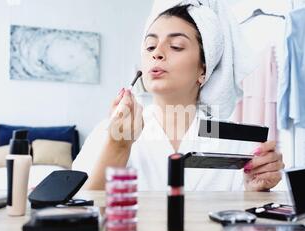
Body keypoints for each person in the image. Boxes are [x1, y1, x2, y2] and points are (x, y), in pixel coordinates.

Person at [72, 3, 284, 191]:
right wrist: (117, 146)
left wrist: (253, 190)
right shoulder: (107, 133)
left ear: (204, 70)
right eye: (150, 46)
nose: (157, 53)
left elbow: (253, 218)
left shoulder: (236, 141)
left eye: (176, 46)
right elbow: (75, 213)